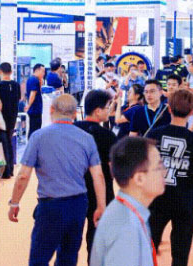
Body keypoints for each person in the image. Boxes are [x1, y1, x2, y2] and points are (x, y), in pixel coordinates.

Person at [8, 94, 107, 266]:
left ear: (51, 110)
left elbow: (23, 175)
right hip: (78, 204)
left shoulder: (39, 137)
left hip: (50, 206)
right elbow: (98, 175)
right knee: (68, 257)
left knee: (39, 258)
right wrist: (101, 205)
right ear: (75, 114)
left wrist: (15, 202)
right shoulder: (86, 138)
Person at [146, 89, 193, 266]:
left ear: (169, 109)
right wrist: (187, 179)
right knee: (180, 254)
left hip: (156, 199)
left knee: (148, 248)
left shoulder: (154, 134)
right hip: (184, 200)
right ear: (192, 111)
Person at [90, 137, 165, 266]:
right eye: (159, 167)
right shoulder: (127, 229)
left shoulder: (128, 213)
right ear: (139, 178)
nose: (165, 172)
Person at [74, 90, 118, 261]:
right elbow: (113, 169)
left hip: (74, 190)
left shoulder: (72, 130)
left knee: (70, 241)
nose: (109, 111)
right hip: (101, 192)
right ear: (98, 110)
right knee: (97, 240)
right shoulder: (108, 136)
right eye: (108, 107)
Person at [0, 62, 21, 178]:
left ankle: (4, 172)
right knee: (9, 143)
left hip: (1, 119)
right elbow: (18, 99)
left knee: (2, 144)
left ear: (0, 72)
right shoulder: (16, 85)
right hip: (12, 118)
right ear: (11, 72)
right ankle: (10, 170)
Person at [25, 63, 45, 137]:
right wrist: (29, 105)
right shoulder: (34, 80)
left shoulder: (32, 79)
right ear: (37, 70)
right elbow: (32, 94)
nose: (43, 73)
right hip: (35, 109)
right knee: (35, 130)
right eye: (42, 71)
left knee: (33, 129)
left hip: (35, 109)